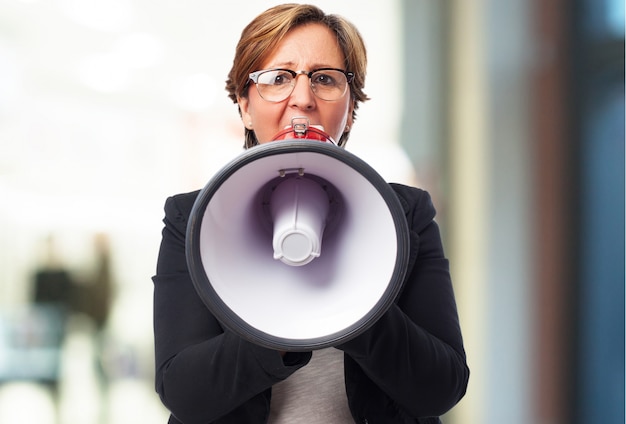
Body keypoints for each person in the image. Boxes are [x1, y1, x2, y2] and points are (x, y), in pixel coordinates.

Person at [152, 4, 469, 424]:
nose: (302, 98)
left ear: (351, 107)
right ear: (244, 106)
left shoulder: (405, 217)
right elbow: (184, 392)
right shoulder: (192, 218)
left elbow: (441, 387)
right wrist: (279, 325)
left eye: (324, 79)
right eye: (278, 78)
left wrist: (356, 303)